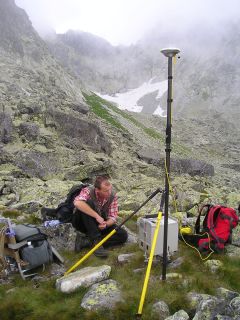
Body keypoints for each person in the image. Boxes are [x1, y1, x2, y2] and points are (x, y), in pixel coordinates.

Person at [72, 175, 128, 258]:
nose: (109, 193)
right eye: (106, 191)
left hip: (97, 224)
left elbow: (113, 217)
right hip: (82, 222)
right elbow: (77, 203)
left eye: (110, 190)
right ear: (97, 190)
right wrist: (97, 216)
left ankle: (87, 241)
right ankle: (96, 241)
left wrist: (106, 224)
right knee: (87, 203)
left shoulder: (112, 196)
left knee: (122, 235)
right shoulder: (88, 191)